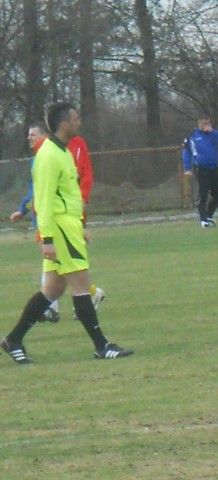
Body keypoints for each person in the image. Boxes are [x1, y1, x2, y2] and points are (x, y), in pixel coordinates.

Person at [1, 102, 133, 364]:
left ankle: (13, 340)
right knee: (82, 286)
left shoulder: (62, 151)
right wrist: (48, 239)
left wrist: (79, 225)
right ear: (64, 124)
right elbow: (44, 200)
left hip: (68, 227)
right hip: (60, 230)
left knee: (51, 290)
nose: (79, 122)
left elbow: (68, 194)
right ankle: (102, 346)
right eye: (75, 118)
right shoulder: (49, 155)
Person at [9, 123, 106, 323]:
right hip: (47, 219)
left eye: (33, 134)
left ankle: (83, 301)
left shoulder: (54, 153)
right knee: (55, 272)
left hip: (55, 222)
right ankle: (19, 335)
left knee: (67, 272)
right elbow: (36, 191)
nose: (30, 138)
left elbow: (69, 187)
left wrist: (79, 222)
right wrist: (24, 209)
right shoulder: (44, 155)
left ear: (45, 134)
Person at [182, 115, 218, 228]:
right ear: (199, 124)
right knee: (203, 194)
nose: (207, 126)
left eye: (208, 123)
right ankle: (203, 219)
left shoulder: (212, 134)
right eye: (204, 124)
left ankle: (209, 215)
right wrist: (187, 168)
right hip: (202, 169)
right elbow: (186, 153)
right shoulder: (193, 136)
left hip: (214, 168)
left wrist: (214, 131)